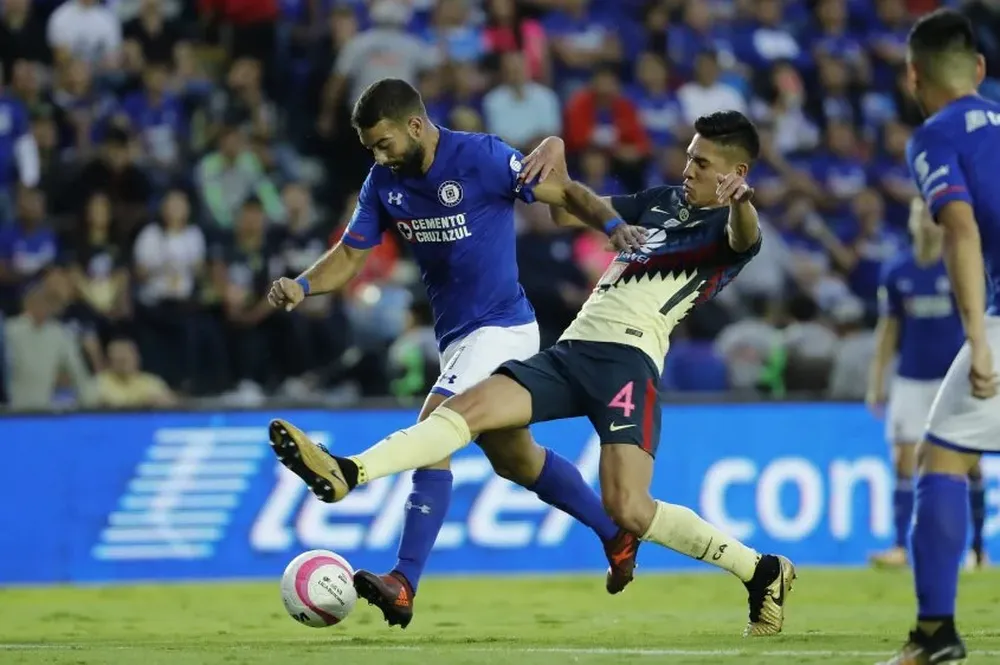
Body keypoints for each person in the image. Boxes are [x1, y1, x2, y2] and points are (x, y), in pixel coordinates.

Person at [269, 109, 798, 638]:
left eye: (702, 164)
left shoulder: (727, 230)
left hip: (627, 364)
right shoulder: (663, 202)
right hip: (570, 351)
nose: (689, 169)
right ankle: (350, 471)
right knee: (465, 412)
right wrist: (556, 150)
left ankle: (760, 571)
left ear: (737, 173)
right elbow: (568, 212)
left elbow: (743, 236)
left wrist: (742, 205)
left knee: (630, 508)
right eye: (689, 157)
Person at [266, 78, 647, 629]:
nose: (378, 155)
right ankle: (616, 534)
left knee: (437, 423)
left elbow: (563, 193)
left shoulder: (484, 157)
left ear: (415, 126)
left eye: (384, 142)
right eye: (371, 147)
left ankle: (402, 576)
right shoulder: (383, 181)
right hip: (458, 339)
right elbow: (350, 256)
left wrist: (612, 225)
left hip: (504, 328)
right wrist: (302, 287)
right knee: (516, 459)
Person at [876, 10, 1000, 665]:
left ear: (913, 76)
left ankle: (934, 634)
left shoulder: (934, 135)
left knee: (941, 460)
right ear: (979, 70)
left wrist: (978, 337)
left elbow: (959, 228)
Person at [867, 198, 988, 572]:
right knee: (903, 460)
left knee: (968, 464)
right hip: (910, 379)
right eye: (920, 215)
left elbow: (976, 319)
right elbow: (888, 329)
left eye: (931, 217)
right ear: (912, 221)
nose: (926, 222)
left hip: (952, 380)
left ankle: (979, 550)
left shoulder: (958, 265)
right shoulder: (897, 271)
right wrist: (877, 381)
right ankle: (900, 547)